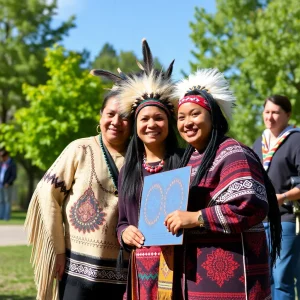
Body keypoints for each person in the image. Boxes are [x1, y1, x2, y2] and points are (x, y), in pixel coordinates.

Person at [162, 68, 282, 299]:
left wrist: (196, 217)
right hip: (195, 274)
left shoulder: (234, 154)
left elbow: (251, 206)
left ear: (213, 116)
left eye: (195, 114)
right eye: (181, 117)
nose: (187, 122)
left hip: (235, 279)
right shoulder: (188, 159)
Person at [25, 87, 132, 300]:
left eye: (125, 117)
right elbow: (47, 194)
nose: (116, 121)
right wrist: (57, 250)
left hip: (124, 273)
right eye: (110, 114)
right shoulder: (79, 149)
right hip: (76, 268)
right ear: (101, 115)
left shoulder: (141, 157)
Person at [116, 39, 183, 300]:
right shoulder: (128, 170)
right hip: (141, 269)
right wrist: (124, 233)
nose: (151, 124)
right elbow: (122, 221)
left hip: (180, 269)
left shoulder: (185, 161)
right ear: (136, 126)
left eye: (159, 118)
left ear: (169, 123)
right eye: (144, 119)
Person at [253, 94, 300, 300]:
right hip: (261, 221)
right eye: (267, 112)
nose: (270, 117)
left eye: (276, 112)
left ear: (288, 115)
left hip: (286, 219)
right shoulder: (258, 142)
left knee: (281, 278)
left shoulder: (296, 140)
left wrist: (284, 197)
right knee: (265, 278)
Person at [0, 149, 17, 221]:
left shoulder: (12, 164)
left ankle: (6, 217)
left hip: (7, 186)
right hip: (0, 185)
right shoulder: (1, 163)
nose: (2, 158)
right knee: (1, 201)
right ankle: (1, 216)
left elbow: (14, 175)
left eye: (3, 156)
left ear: (6, 156)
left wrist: (8, 183)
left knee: (7, 201)